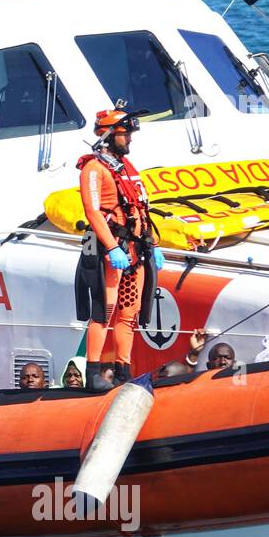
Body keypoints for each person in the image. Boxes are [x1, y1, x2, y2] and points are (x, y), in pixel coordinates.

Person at [74, 107, 164, 391]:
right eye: (126, 134)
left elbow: (140, 207)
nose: (130, 140)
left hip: (136, 251)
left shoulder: (125, 167)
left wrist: (153, 244)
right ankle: (93, 372)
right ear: (110, 135)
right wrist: (112, 247)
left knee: (129, 312)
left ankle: (124, 370)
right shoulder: (93, 169)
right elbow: (93, 211)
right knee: (105, 310)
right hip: (110, 251)